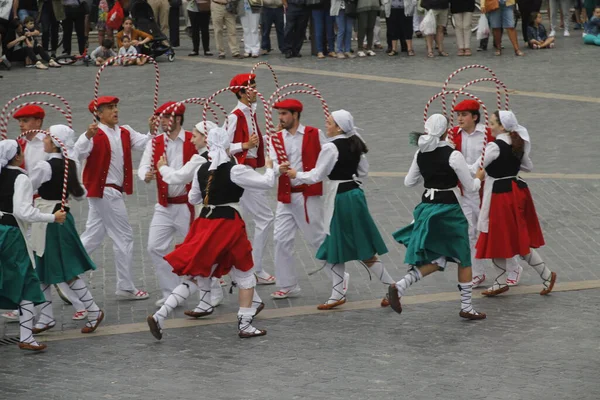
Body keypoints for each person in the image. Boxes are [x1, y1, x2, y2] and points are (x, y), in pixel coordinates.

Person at [147, 126, 275, 340]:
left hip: (205, 222)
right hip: (228, 224)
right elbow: (267, 182)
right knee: (245, 273)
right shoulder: (235, 169)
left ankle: (161, 315)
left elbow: (193, 199)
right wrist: (270, 167)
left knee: (195, 275)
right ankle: (245, 324)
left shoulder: (201, 168)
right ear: (226, 144)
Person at [286, 110, 393, 309]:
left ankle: (382, 288)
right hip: (354, 195)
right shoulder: (355, 142)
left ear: (339, 127)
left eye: (329, 123)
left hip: (341, 199)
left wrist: (295, 174)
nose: (326, 126)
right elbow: (363, 171)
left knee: (336, 243)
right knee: (349, 245)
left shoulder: (331, 148)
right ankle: (347, 292)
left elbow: (317, 175)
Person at [389, 114, 486, 320]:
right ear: (445, 131)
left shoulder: (420, 153)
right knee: (463, 256)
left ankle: (401, 285)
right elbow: (469, 188)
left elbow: (409, 182)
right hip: (449, 209)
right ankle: (467, 306)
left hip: (426, 207)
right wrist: (478, 177)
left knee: (438, 257)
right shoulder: (453, 155)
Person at [28, 125, 105, 335]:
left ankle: (92, 310)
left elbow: (28, 188)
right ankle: (46, 317)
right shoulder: (70, 164)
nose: (43, 141)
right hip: (62, 217)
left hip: (49, 221)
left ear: (54, 143)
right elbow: (80, 194)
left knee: (63, 272)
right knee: (44, 270)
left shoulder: (44, 166)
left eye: (47, 139)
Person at [74, 96, 151, 300]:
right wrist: (86, 136)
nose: (115, 111)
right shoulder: (94, 134)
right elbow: (77, 153)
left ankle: (68, 273)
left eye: (116, 107)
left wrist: (153, 130)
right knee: (124, 236)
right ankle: (125, 285)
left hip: (109, 191)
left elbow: (145, 143)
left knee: (93, 235)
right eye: (109, 108)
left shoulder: (125, 131)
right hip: (105, 191)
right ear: (98, 113)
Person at [475, 111, 557, 297]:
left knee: (500, 237)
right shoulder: (516, 144)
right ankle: (504, 280)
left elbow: (476, 167)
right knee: (511, 238)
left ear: (502, 127)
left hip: (499, 196)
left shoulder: (495, 147)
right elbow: (528, 167)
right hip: (515, 191)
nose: (490, 126)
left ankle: (544, 274)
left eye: (493, 123)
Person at [0, 139, 67, 351]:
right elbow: (23, 212)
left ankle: (27, 335)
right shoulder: (21, 178)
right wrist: (52, 217)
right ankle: (26, 336)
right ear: (18, 156)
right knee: (26, 281)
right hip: (12, 235)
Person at [449, 100, 524, 288]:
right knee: (469, 232)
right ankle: (478, 273)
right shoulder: (453, 135)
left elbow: (493, 160)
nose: (460, 118)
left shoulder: (488, 135)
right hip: (464, 191)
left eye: (464, 114)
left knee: (496, 231)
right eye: (458, 115)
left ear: (475, 117)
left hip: (486, 191)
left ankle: (514, 267)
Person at [156, 119, 225, 310]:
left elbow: (176, 178)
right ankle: (223, 294)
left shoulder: (199, 160)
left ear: (205, 138)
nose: (192, 140)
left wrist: (162, 167)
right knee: (223, 254)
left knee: (209, 254)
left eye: (195, 136)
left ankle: (246, 299)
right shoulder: (225, 156)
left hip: (208, 215)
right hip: (228, 214)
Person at [138, 102, 198, 307]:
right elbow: (144, 165)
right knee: (154, 247)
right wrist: (145, 174)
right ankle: (171, 292)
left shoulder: (192, 139)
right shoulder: (154, 143)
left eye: (164, 117)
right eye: (159, 117)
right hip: (163, 205)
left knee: (198, 249)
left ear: (178, 119)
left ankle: (212, 290)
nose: (161, 121)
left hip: (188, 206)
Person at [268, 99, 326, 300]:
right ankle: (288, 284)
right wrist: (278, 169)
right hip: (285, 196)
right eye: (279, 114)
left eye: (284, 114)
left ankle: (339, 278)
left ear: (295, 115)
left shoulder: (314, 134)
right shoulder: (275, 138)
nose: (281, 118)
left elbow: (329, 156)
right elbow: (272, 163)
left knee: (316, 238)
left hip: (307, 194)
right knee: (280, 239)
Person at [227, 73, 276, 285]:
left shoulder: (251, 112)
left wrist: (268, 138)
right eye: (250, 87)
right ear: (241, 92)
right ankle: (254, 268)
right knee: (265, 217)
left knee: (244, 221)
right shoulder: (235, 115)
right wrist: (244, 145)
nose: (255, 89)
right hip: (242, 171)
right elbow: (221, 146)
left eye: (255, 84)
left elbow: (256, 140)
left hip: (249, 169)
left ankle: (238, 268)